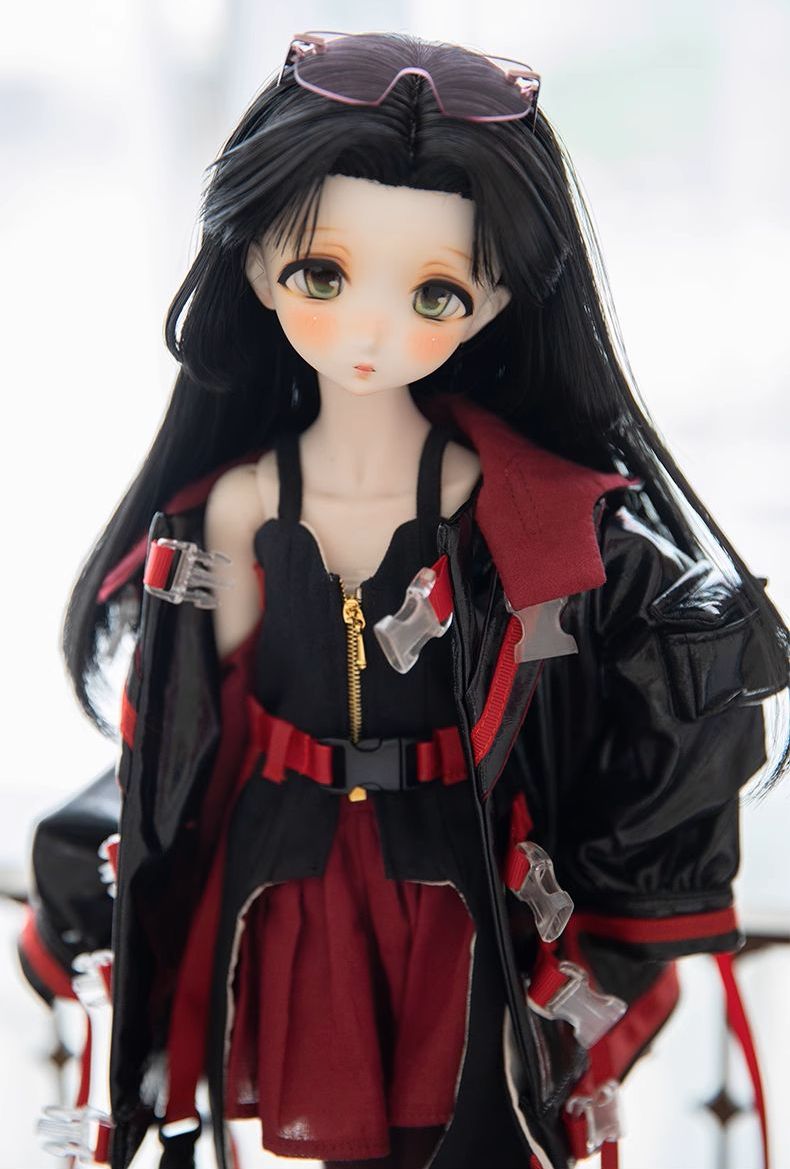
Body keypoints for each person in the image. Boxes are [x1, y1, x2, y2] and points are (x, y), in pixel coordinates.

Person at [52, 30, 788, 1169]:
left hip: (462, 874)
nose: (371, 331)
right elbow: (202, 723)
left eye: (434, 293)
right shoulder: (237, 505)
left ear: (494, 303)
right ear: (256, 264)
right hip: (295, 883)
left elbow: (653, 705)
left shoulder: (525, 520)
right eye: (323, 275)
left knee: (478, 1121)